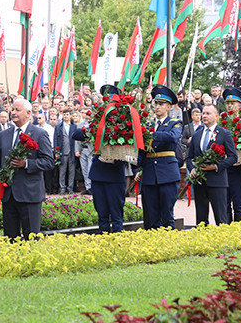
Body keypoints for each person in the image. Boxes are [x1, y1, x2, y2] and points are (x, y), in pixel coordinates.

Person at [0, 98, 53, 239]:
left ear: (28, 113)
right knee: (10, 239)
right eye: (12, 109)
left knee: (31, 239)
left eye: (17, 110)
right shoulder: (3, 135)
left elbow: (49, 162)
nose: (13, 112)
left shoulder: (39, 133)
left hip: (29, 195)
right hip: (8, 195)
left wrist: (26, 164)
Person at [71, 84, 127, 233]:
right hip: (99, 173)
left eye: (112, 102)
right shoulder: (97, 122)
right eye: (106, 101)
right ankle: (103, 242)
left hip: (115, 173)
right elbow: (76, 134)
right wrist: (95, 131)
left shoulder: (124, 123)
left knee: (116, 215)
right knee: (102, 214)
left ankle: (118, 242)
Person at [138, 85, 183, 230]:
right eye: (156, 104)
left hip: (167, 173)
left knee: (167, 213)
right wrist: (138, 167)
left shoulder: (174, 123)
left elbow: (173, 137)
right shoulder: (148, 124)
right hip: (150, 173)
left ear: (169, 107)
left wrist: (152, 134)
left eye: (161, 104)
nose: (157, 107)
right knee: (152, 214)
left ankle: (169, 244)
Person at [186, 105, 238, 226]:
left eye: (208, 113)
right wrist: (192, 168)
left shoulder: (224, 134)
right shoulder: (197, 134)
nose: (204, 116)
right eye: (203, 113)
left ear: (216, 116)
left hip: (217, 181)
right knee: (201, 219)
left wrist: (216, 166)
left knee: (221, 218)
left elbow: (233, 157)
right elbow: (189, 157)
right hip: (200, 182)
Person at [223, 87, 241, 222]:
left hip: (239, 167)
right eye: (228, 103)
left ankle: (238, 229)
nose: (230, 106)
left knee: (238, 201)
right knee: (225, 202)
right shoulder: (221, 123)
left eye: (233, 103)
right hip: (224, 167)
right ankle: (226, 228)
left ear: (240, 105)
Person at [54, 109, 77, 195]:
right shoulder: (58, 126)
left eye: (67, 114)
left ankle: (70, 188)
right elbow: (55, 139)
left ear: (70, 115)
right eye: (64, 114)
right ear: (62, 116)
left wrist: (76, 150)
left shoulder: (74, 126)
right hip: (62, 151)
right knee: (62, 171)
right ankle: (62, 188)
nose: (66, 116)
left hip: (72, 151)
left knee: (72, 171)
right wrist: (56, 152)